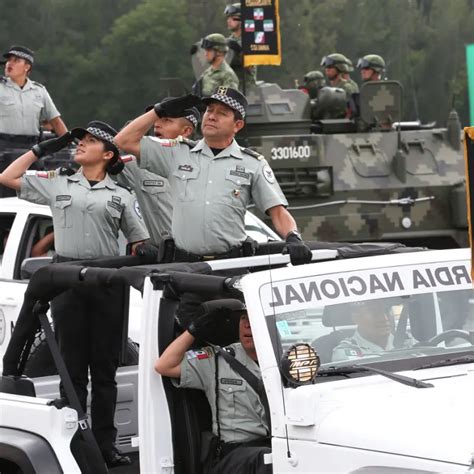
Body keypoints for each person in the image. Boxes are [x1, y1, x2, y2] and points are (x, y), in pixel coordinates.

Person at [0, 121, 149, 468]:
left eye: (89, 141)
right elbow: (7, 177)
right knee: (72, 370)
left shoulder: (122, 195)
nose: (80, 144)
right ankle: (77, 444)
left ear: (108, 154)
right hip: (66, 279)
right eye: (79, 139)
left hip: (107, 282)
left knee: (105, 368)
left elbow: (138, 240)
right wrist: (45, 148)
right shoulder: (58, 183)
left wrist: (143, 252)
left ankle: (105, 444)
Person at [114, 88, 312, 266]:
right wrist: (159, 110)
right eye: (209, 110)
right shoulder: (176, 152)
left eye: (222, 113)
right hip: (185, 268)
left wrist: (293, 237)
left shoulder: (252, 163)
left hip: (231, 265)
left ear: (238, 125)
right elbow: (123, 140)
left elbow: (277, 211)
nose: (211, 117)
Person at [155, 306, 271, 474]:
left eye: (254, 317)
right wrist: (193, 331)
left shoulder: (294, 360)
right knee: (265, 460)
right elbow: (164, 365)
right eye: (244, 318)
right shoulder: (217, 360)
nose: (248, 324)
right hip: (234, 456)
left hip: (278, 447)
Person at [118, 102, 201, 244]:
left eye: (166, 120)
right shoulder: (135, 164)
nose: (156, 124)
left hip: (202, 254)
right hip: (161, 257)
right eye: (156, 119)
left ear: (186, 131)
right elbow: (98, 161)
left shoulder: (205, 161)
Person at [0, 45, 67, 143]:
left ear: (27, 67)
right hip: (3, 146)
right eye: (9, 60)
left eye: (16, 61)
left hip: (31, 148)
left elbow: (56, 122)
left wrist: (70, 143)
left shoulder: (39, 91)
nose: (10, 63)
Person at [332, 299, 410, 362]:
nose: (384, 318)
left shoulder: (408, 342)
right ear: (355, 317)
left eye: (387, 311)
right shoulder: (346, 352)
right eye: (375, 312)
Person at [224, 2, 257, 92]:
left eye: (232, 18)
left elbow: (249, 66)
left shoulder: (250, 40)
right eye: (228, 18)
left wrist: (239, 51)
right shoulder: (227, 41)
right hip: (229, 87)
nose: (228, 21)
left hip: (246, 89)